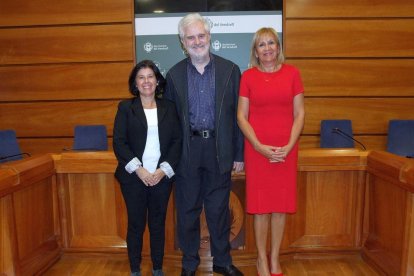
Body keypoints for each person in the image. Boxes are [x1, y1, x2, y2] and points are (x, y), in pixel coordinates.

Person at [164, 13, 244, 276]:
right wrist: (171, 157)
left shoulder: (231, 70)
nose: (197, 41)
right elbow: (171, 123)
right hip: (187, 152)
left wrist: (239, 154)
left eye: (201, 35)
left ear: (209, 37)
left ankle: (222, 261)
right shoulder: (174, 75)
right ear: (182, 42)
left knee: (219, 210)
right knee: (187, 211)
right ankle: (189, 264)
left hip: (219, 150)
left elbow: (239, 117)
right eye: (190, 37)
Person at [237, 27, 305, 276]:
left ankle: (274, 258)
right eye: (261, 45)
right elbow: (241, 117)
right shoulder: (248, 77)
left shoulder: (293, 74)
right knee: (262, 207)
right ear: (255, 51)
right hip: (257, 152)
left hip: (286, 151)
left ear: (278, 47)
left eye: (271, 43)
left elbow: (300, 114)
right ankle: (260, 260)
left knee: (280, 206)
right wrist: (257, 146)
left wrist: (289, 144)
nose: (267, 49)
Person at [113, 60, 182, 276]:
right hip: (134, 178)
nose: (146, 81)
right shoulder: (126, 107)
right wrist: (140, 170)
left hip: (161, 177)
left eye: (150, 76)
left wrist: (162, 171)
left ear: (157, 80)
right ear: (135, 82)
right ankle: (135, 269)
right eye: (141, 77)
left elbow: (177, 141)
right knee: (136, 224)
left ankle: (157, 268)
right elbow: (119, 142)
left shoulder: (169, 107)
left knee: (157, 224)